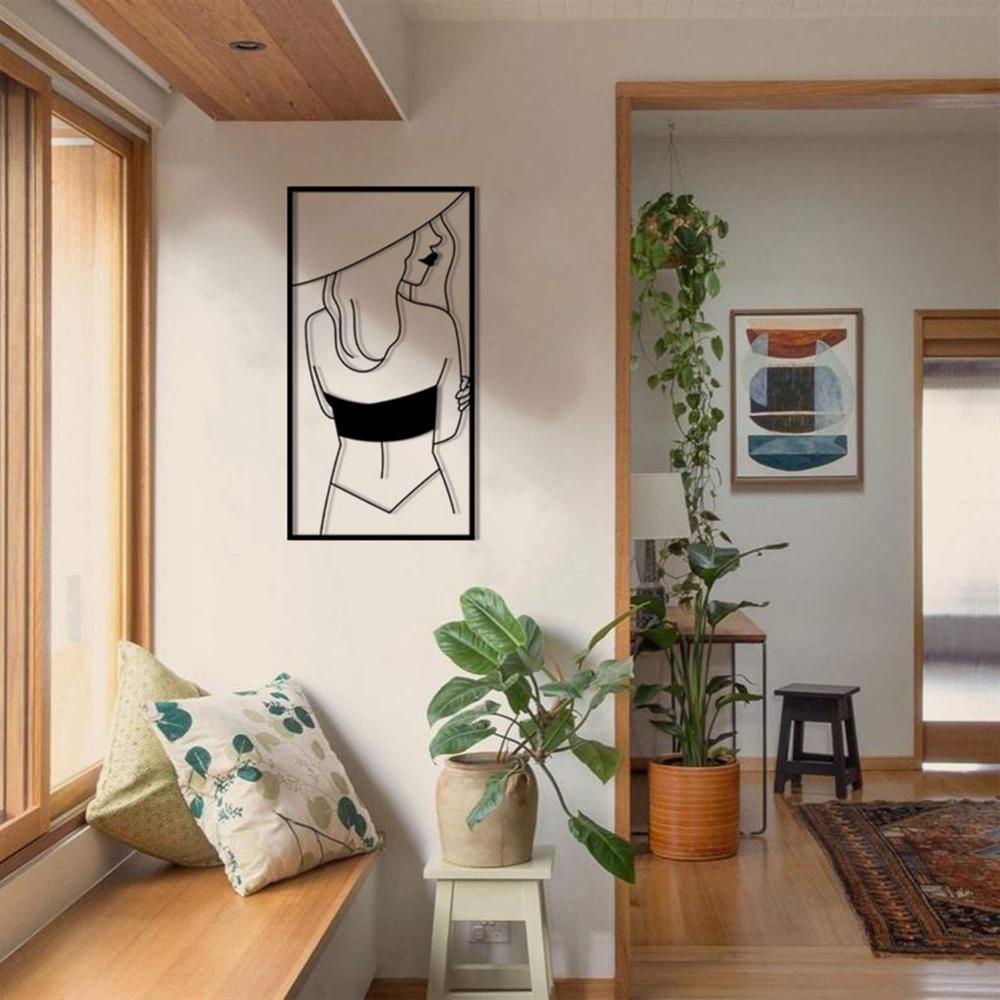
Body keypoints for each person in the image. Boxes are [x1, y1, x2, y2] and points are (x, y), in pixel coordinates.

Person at [299, 201, 471, 534]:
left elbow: (326, 410)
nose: (437, 239)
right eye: (422, 227)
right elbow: (448, 428)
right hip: (424, 489)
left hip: (347, 493)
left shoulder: (317, 328)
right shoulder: (438, 325)